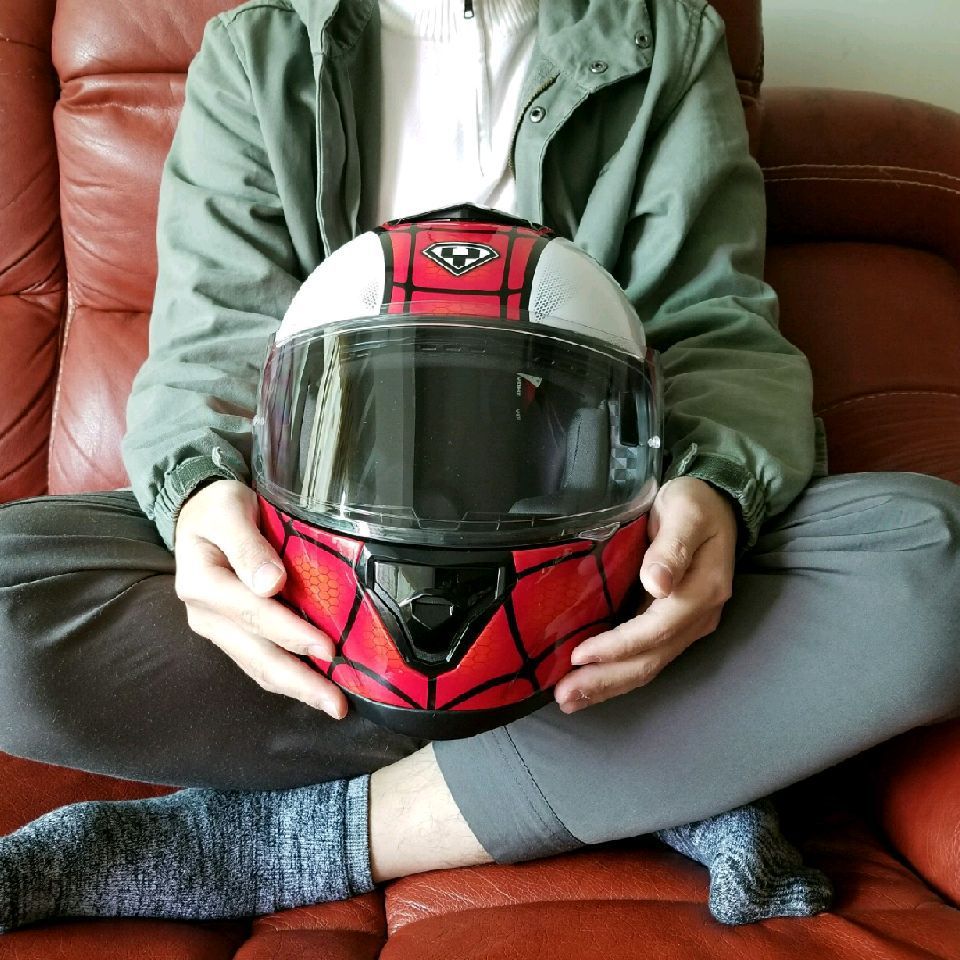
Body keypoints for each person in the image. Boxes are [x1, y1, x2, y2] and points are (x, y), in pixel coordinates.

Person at [1, 0, 959, 933]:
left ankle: (281, 839)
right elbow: (213, 348)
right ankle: (663, 764)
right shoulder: (257, 53)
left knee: (936, 567)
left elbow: (713, 329)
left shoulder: (665, 39)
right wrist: (201, 501)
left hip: (590, 589)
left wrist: (713, 491)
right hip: (318, 593)